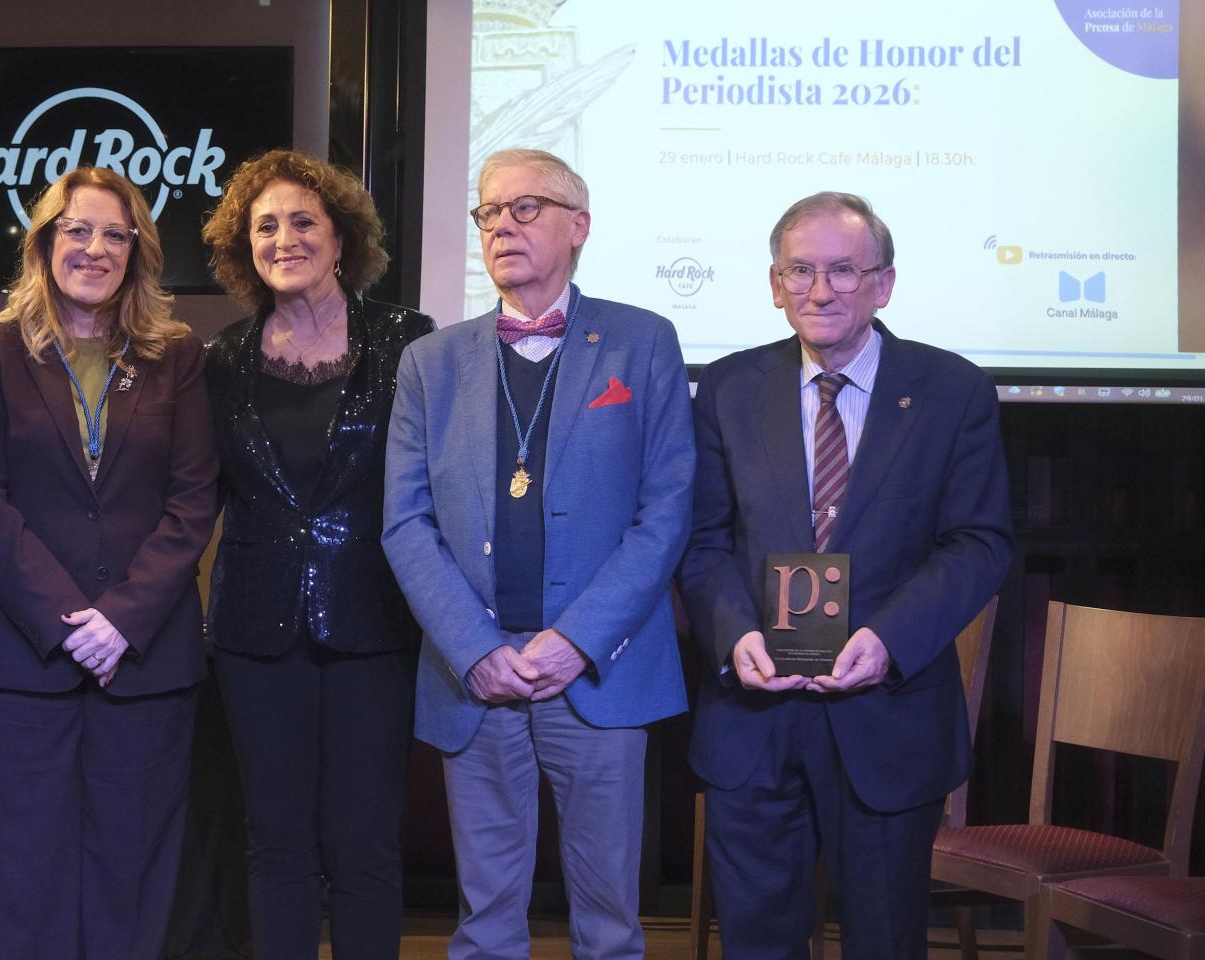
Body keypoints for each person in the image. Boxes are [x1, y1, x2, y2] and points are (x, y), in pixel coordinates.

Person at [678, 191, 1013, 959]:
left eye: (841, 270)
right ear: (774, 283)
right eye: (799, 269)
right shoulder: (728, 387)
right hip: (753, 719)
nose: (819, 290)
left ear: (883, 285)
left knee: (886, 942)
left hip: (886, 718)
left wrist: (888, 641)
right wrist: (735, 641)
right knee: (758, 943)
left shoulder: (951, 390)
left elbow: (979, 543)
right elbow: (702, 541)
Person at [381, 147, 694, 960]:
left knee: (610, 924)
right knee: (484, 926)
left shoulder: (643, 342)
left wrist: (576, 640)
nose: (503, 228)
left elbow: (665, 513)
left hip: (598, 670)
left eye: (527, 209)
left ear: (578, 226)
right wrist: (474, 648)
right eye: (489, 212)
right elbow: (406, 523)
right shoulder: (429, 361)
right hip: (475, 673)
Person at [0, 166, 218, 960]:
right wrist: (70, 621)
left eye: (113, 234)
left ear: (137, 250)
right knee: (31, 873)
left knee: (130, 873)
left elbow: (194, 501)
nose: (94, 249)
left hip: (144, 659)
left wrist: (120, 620)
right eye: (77, 231)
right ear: (44, 243)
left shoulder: (178, 356)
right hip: (22, 655)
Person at [200, 148, 433, 959]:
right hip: (254, 632)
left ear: (342, 238)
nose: (284, 238)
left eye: (304, 221)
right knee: (277, 843)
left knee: (366, 845)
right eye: (265, 226)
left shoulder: (410, 342)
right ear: (244, 246)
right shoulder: (221, 360)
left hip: (375, 623)